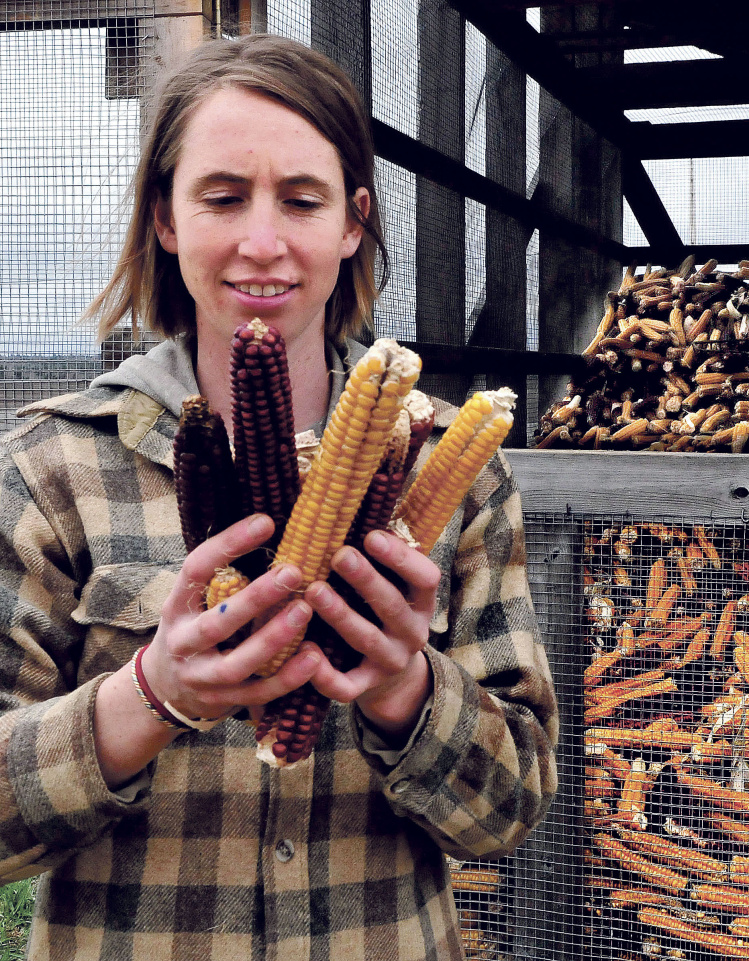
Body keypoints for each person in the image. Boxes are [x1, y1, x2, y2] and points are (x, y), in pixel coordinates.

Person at [0, 34, 558, 960]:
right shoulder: (51, 467)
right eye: (222, 198)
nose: (264, 243)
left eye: (303, 200)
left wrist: (405, 688)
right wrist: (152, 695)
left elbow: (511, 815)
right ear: (166, 218)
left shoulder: (454, 470)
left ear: (352, 222)